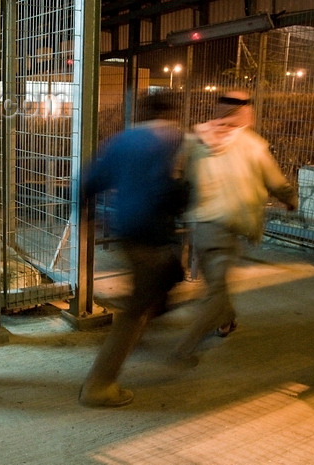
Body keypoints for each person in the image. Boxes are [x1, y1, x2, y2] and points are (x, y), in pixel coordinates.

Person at [170, 91, 298, 365]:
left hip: (200, 226)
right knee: (216, 291)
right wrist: (290, 199)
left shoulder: (196, 138)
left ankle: (227, 320)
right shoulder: (252, 145)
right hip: (229, 227)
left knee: (216, 281)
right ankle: (185, 347)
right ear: (245, 113)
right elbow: (276, 182)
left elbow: (179, 175)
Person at [78, 92, 190, 407]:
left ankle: (141, 327)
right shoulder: (173, 138)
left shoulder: (121, 139)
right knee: (136, 311)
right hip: (152, 231)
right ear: (172, 112)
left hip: (125, 227)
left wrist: (90, 217)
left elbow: (89, 180)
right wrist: (182, 197)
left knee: (156, 287)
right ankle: (99, 386)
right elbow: (168, 190)